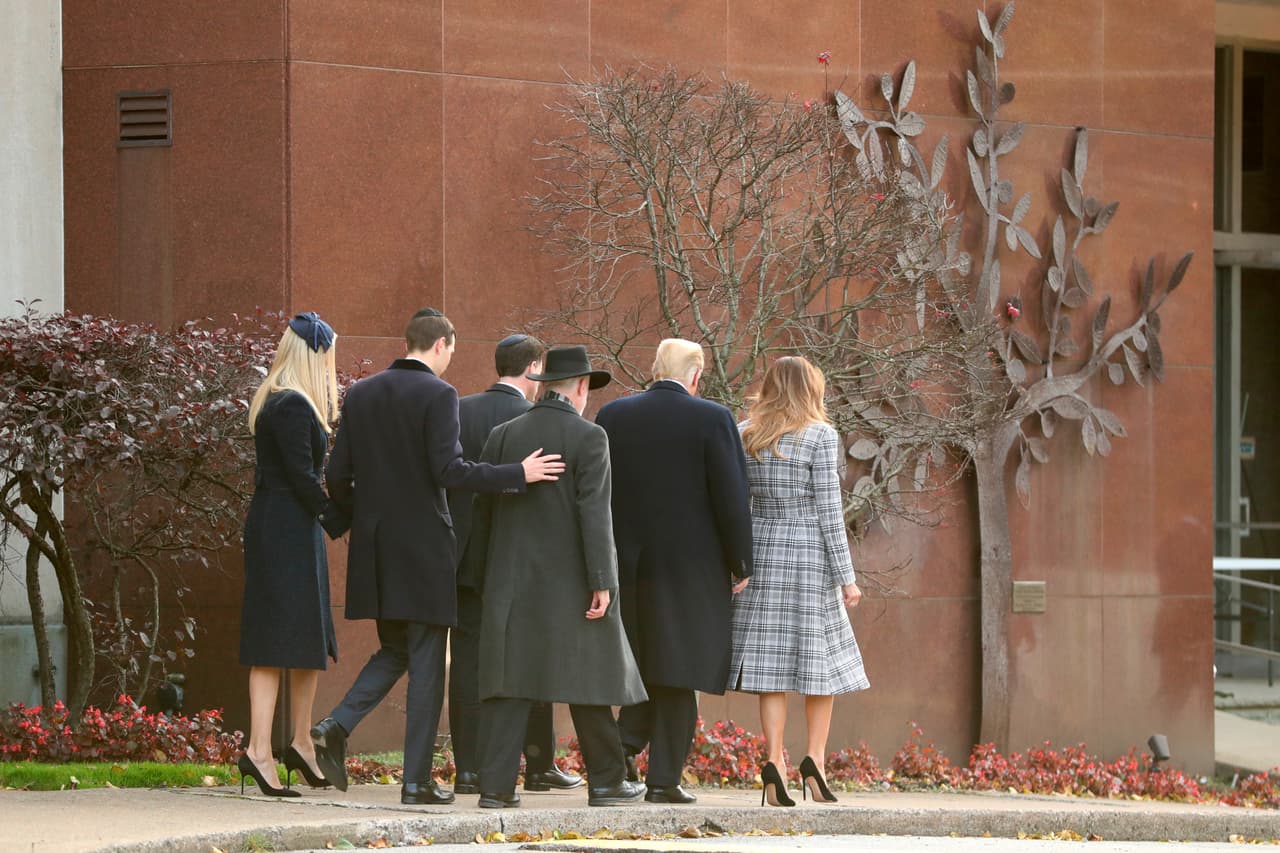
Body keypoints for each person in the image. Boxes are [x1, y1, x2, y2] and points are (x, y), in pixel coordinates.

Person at [309, 309, 565, 806]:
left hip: (377, 549)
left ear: (407, 342)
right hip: (425, 548)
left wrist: (357, 520)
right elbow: (450, 470)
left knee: (397, 649)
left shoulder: (361, 393)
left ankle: (337, 725)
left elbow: (337, 475)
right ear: (442, 344)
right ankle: (416, 781)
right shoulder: (439, 394)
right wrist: (517, 472)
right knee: (428, 663)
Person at [468, 345, 648, 809]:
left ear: (545, 384)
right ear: (582, 387)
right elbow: (595, 516)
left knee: (508, 682)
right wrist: (603, 581)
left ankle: (496, 789)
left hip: (509, 583)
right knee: (591, 678)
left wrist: (482, 578)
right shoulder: (590, 438)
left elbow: (482, 512)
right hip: (575, 584)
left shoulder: (504, 434)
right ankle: (607, 782)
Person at [595, 339, 753, 804]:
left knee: (641, 663)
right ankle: (663, 780)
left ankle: (622, 748)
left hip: (626, 563)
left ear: (653, 367)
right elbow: (731, 496)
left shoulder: (614, 416)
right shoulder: (713, 418)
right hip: (693, 568)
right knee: (681, 670)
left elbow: (599, 492)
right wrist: (739, 560)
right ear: (697, 375)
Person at [729, 356, 869, 808]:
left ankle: (774, 761)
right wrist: (847, 578)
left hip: (762, 548)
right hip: (808, 552)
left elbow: (736, 501)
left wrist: (738, 560)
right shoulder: (820, 435)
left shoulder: (746, 431)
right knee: (818, 661)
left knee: (770, 664)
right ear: (811, 389)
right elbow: (830, 511)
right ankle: (815, 760)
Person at [446, 333, 583, 795]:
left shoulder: (459, 410)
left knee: (465, 664)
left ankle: (467, 768)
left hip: (464, 557)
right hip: (521, 564)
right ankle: (538, 763)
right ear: (533, 369)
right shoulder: (535, 420)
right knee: (530, 657)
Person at [238, 312, 348, 798]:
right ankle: (259, 751)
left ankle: (300, 742)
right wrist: (335, 517)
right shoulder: (290, 405)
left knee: (304, 638)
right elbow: (303, 477)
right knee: (273, 637)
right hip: (284, 527)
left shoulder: (283, 401)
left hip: (288, 526)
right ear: (313, 355)